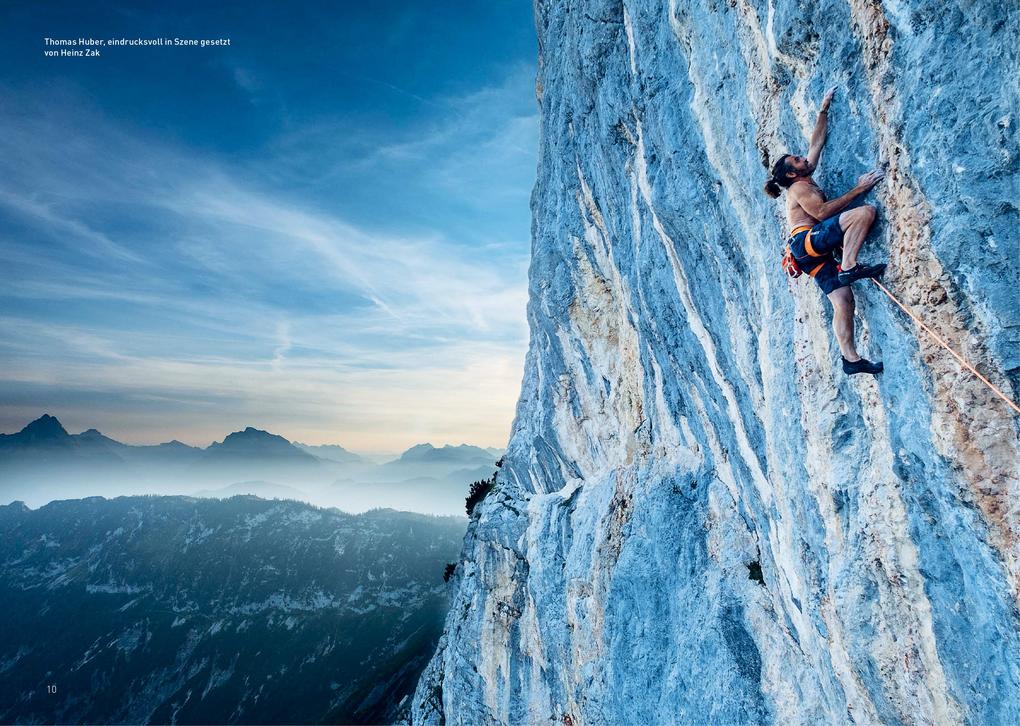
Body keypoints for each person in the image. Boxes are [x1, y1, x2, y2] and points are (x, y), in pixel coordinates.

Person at [764, 88, 887, 376]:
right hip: (807, 243)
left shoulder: (802, 176)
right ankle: (849, 265)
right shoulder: (800, 187)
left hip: (808, 253)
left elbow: (816, 144)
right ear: (793, 174)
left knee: (843, 301)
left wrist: (823, 109)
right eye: (797, 159)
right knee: (865, 213)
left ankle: (851, 359)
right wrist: (861, 188)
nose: (802, 158)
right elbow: (821, 213)